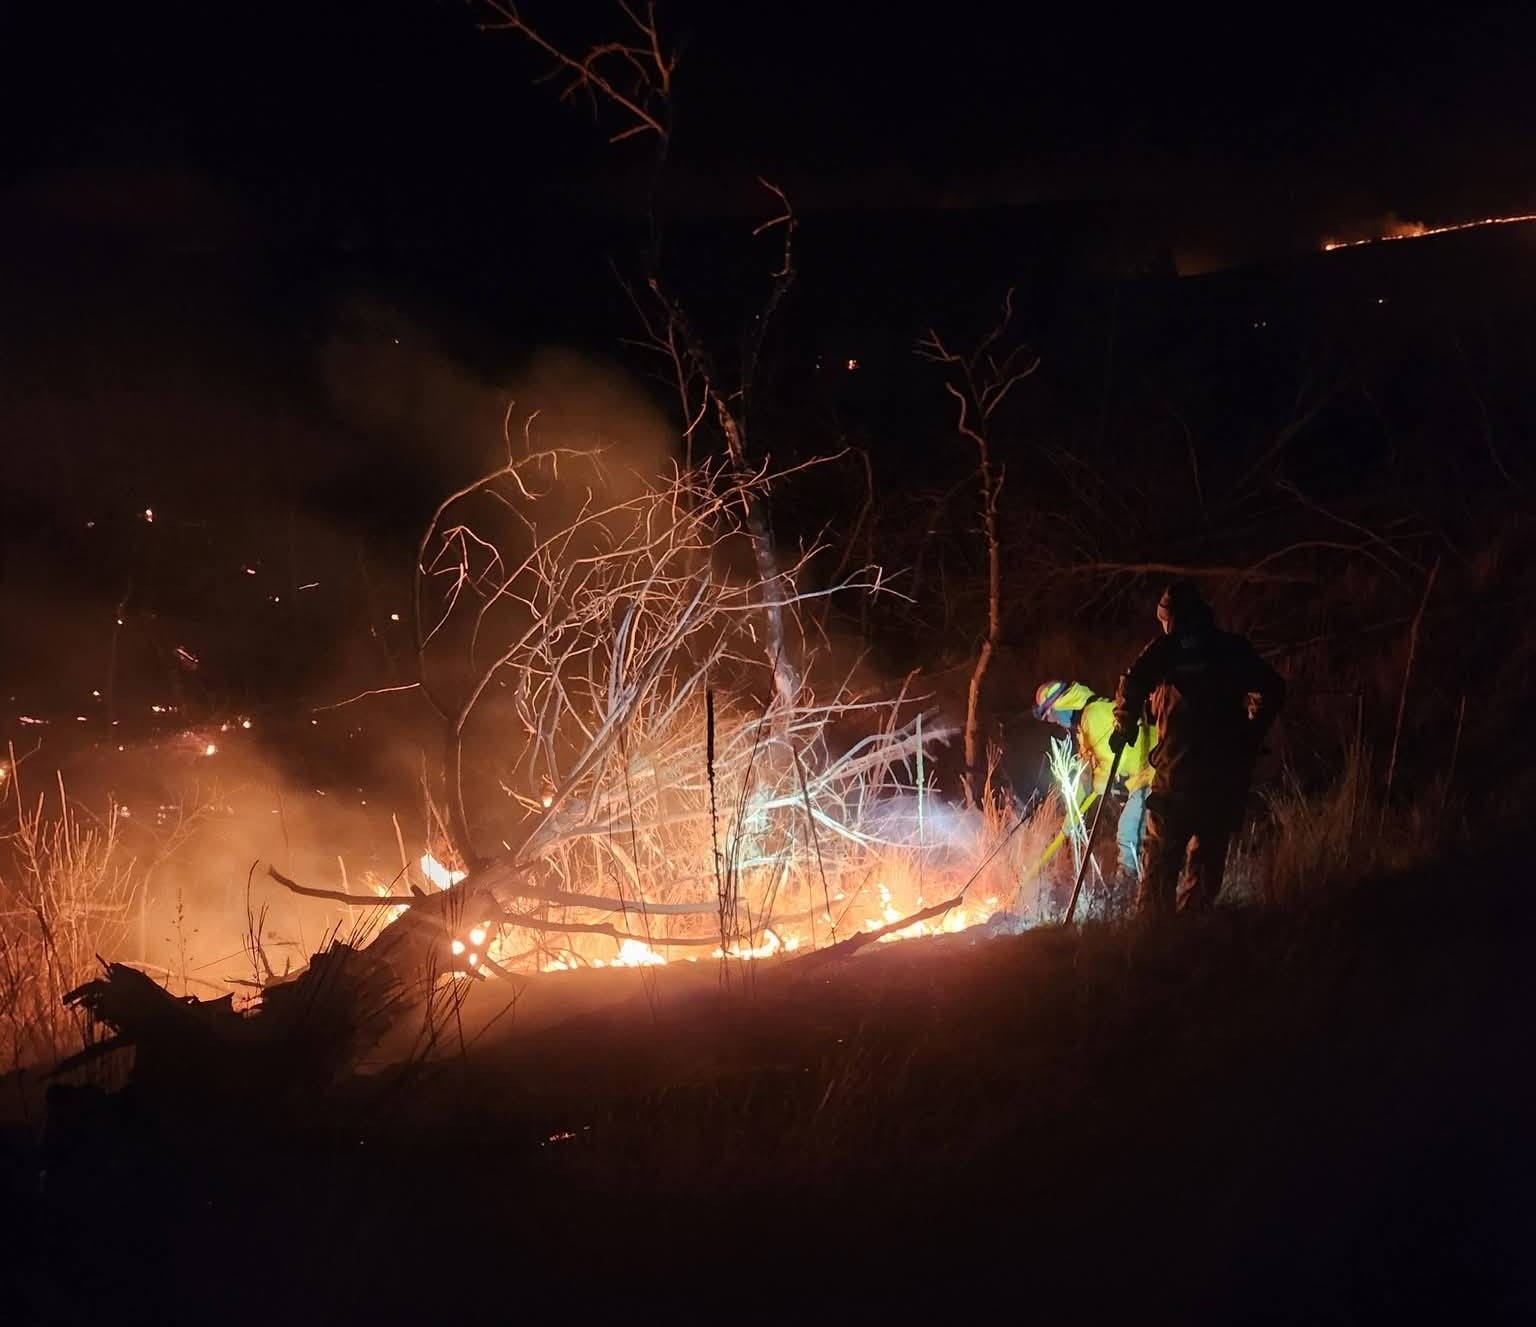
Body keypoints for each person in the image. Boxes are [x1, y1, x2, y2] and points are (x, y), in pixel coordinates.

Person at [1111, 579, 1286, 915]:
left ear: (1170, 618)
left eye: (1164, 620)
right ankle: (1193, 933)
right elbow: (1274, 687)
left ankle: (1153, 940)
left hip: (1179, 772)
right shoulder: (1230, 648)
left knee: (1161, 860)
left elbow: (1132, 683)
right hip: (1225, 774)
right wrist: (1251, 731)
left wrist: (1125, 721)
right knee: (1206, 864)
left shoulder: (1168, 649)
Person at [1034, 679, 1157, 888]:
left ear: (1060, 705)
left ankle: (1127, 890)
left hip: (1155, 769)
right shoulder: (1083, 727)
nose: (1053, 721)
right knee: (1140, 834)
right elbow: (1085, 777)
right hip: (1143, 776)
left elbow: (1117, 759)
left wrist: (1099, 781)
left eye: (1050, 715)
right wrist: (1070, 819)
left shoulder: (1094, 713)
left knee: (1129, 831)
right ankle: (1141, 885)